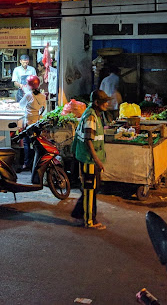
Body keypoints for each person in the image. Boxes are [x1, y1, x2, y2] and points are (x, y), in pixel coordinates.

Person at [70, 89, 111, 230]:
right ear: (96, 103)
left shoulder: (94, 113)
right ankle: (89, 221)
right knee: (89, 190)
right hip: (89, 160)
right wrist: (97, 161)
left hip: (89, 158)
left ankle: (78, 212)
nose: (106, 104)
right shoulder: (91, 117)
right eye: (104, 102)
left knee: (93, 187)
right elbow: (88, 141)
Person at [18, 75, 47, 171]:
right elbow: (44, 108)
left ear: (29, 85)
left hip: (29, 123)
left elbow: (21, 105)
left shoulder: (28, 95)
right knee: (36, 144)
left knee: (26, 143)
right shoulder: (43, 96)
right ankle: (36, 163)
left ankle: (26, 164)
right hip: (38, 123)